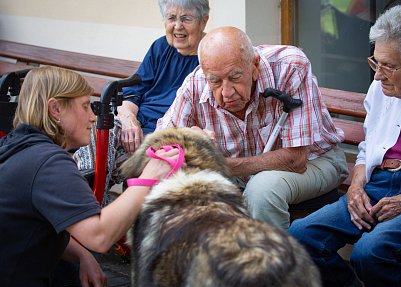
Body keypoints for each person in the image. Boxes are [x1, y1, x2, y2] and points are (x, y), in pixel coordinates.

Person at [289, 4, 401, 287]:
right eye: (376, 63)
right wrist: (355, 186)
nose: (377, 76)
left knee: (370, 253)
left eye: (389, 66)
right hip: (376, 184)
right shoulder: (381, 87)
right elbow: (369, 145)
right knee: (301, 237)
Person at [0, 66, 179, 286]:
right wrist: (149, 176)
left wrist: (82, 256)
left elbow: (36, 223)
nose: (93, 117)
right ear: (55, 109)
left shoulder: (18, 145)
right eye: (85, 106)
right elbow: (99, 237)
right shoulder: (49, 163)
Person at [157, 26, 349, 232]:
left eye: (235, 77)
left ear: (255, 65)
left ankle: (271, 261)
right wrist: (189, 139)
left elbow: (297, 159)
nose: (227, 92)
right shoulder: (195, 84)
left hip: (315, 160)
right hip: (242, 172)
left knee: (261, 190)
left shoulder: (290, 66)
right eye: (216, 82)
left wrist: (222, 166)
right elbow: (163, 142)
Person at [72, 0, 210, 205]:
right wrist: (129, 120)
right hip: (137, 128)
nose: (178, 26)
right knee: (100, 131)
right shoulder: (160, 47)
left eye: (186, 18)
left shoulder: (211, 53)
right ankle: (88, 199)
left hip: (171, 135)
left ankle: (96, 210)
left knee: (131, 160)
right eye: (171, 18)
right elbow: (134, 91)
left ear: (203, 21)